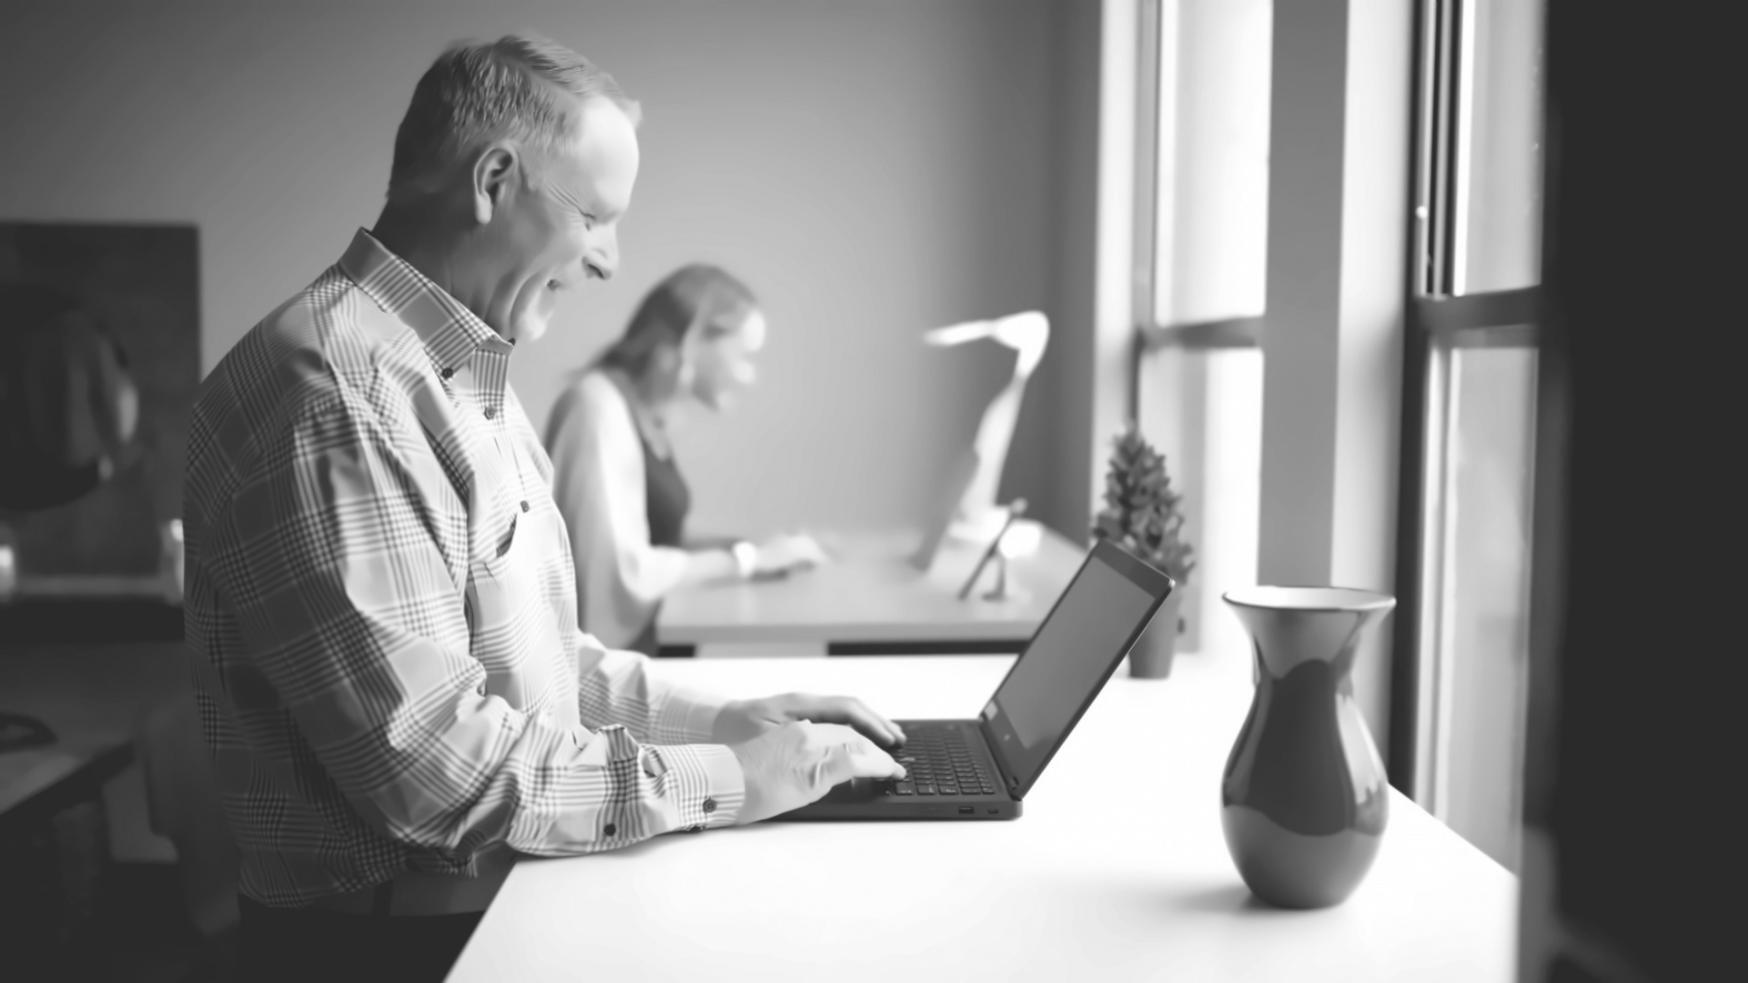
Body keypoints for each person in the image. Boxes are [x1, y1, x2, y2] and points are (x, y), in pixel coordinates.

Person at [181, 34, 906, 983]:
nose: (610, 261)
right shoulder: (340, 397)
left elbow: (542, 666)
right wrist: (734, 782)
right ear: (492, 181)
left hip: (476, 914)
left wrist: (732, 724)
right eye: (597, 217)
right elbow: (443, 772)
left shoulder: (455, 370)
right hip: (393, 950)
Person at [544, 263, 829, 655]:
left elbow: (654, 536)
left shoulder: (636, 411)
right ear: (691, 342)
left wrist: (745, 547)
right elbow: (623, 572)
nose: (748, 376)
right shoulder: (596, 409)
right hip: (618, 674)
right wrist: (749, 560)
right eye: (745, 356)